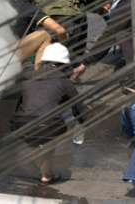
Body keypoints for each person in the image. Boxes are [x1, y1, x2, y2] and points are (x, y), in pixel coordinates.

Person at [12, 43, 82, 184]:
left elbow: (21, 104)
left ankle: (38, 159)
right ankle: (45, 174)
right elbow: (79, 108)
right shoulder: (65, 82)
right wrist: (84, 124)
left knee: (39, 139)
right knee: (50, 136)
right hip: (47, 126)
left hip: (21, 124)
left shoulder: (29, 77)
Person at [34, 0, 88, 77]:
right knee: (64, 59)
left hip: (47, 26)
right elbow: (82, 10)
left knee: (45, 58)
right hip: (71, 25)